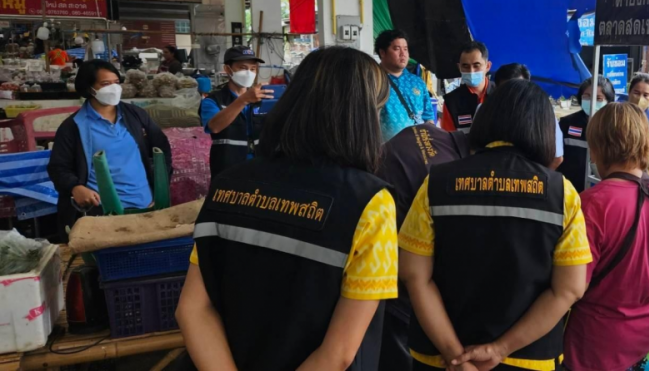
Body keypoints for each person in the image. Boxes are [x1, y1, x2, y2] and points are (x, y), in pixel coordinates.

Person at [176, 47, 398, 370]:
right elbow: (339, 353)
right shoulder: (371, 203)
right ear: (362, 116)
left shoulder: (228, 185)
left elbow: (192, 309)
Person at [399, 79, 592, 371]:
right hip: (526, 359)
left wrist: (455, 356)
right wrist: (499, 349)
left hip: (440, 358)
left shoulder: (436, 183)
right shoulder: (561, 193)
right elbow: (569, 290)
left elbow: (415, 276)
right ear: (543, 129)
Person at [563, 102, 649, 371]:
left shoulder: (591, 203)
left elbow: (574, 286)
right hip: (647, 327)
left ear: (597, 149)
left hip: (597, 337)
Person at [376, 124, 471, 371]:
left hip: (374, 269)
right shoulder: (448, 177)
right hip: (396, 297)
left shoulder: (423, 132)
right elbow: (421, 273)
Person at [48, 60, 172, 240]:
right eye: (105, 84)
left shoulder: (136, 115)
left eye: (116, 82)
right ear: (89, 88)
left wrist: (160, 188)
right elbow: (58, 167)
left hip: (144, 204)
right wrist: (75, 187)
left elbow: (162, 147)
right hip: (101, 212)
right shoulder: (73, 126)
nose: (113, 88)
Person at [200, 46, 272, 178]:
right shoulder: (213, 100)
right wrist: (243, 100)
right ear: (228, 69)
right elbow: (214, 127)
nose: (249, 73)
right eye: (243, 68)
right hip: (228, 165)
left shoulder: (263, 98)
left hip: (261, 164)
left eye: (253, 69)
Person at [493, 63, 563, 170]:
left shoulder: (544, 113)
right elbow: (474, 149)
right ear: (497, 89)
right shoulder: (484, 111)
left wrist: (538, 177)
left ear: (528, 87)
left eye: (518, 89)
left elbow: (557, 158)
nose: (512, 95)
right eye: (505, 90)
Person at [557, 76, 615, 192]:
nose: (592, 102)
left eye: (598, 98)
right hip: (569, 190)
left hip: (601, 190)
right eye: (587, 96)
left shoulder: (614, 126)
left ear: (608, 100)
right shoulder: (566, 123)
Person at [376, 30, 435, 141]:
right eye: (397, 49)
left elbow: (428, 117)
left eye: (405, 49)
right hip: (386, 148)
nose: (403, 54)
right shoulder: (373, 81)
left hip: (418, 146)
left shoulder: (417, 82)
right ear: (382, 52)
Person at [441, 41, 493, 133]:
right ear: (459, 67)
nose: (471, 71)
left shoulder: (502, 94)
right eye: (466, 66)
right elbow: (448, 138)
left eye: (476, 65)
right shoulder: (451, 102)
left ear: (487, 66)